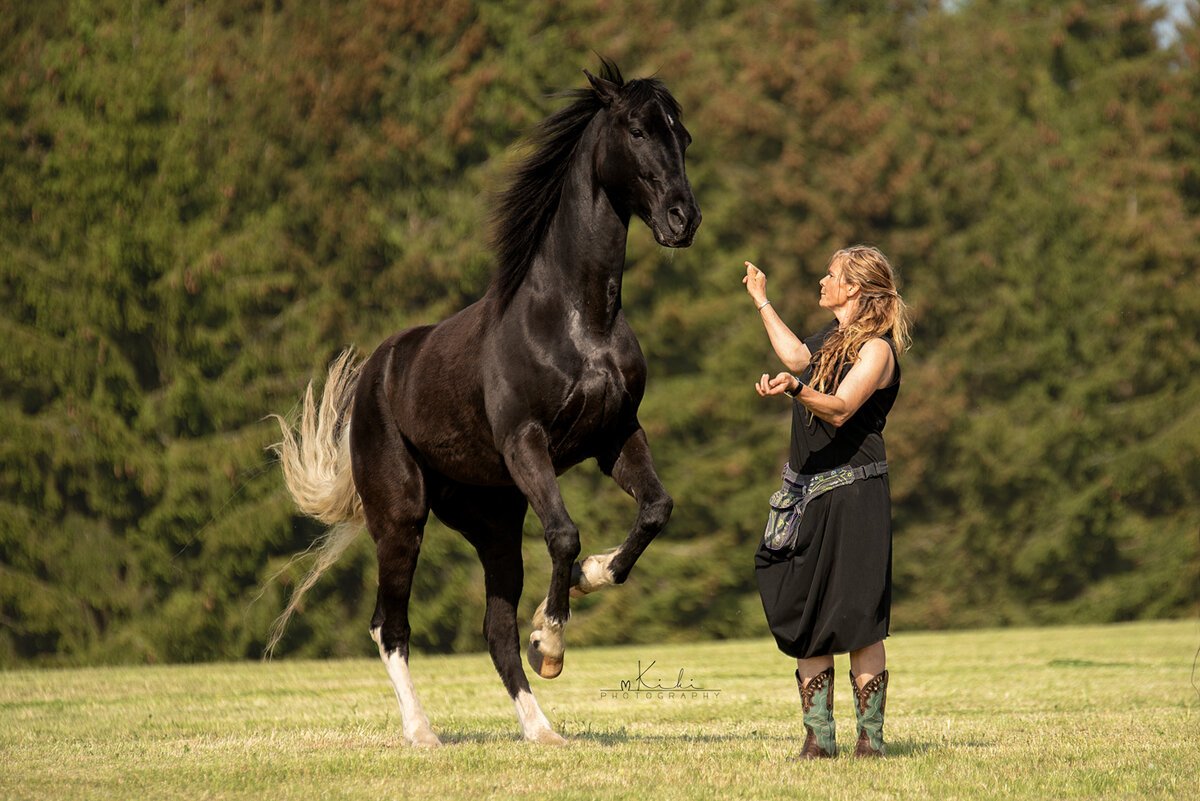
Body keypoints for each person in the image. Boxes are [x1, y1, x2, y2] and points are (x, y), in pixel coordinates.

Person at [743, 245, 910, 759]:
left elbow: (839, 408)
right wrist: (761, 301)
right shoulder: (832, 340)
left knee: (858, 616)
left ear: (854, 288)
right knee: (806, 609)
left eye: (831, 275)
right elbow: (799, 359)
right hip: (807, 496)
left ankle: (870, 742)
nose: (822, 280)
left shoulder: (876, 350)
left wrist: (797, 390)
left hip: (856, 496)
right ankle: (818, 741)